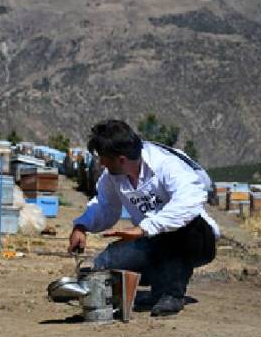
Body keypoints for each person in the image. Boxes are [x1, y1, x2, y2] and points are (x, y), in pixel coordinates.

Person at [67, 120, 217, 317]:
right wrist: (81, 226)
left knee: (181, 228)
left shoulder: (167, 164)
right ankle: (153, 291)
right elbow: (105, 206)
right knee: (107, 263)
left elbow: (190, 201)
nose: (102, 163)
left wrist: (144, 228)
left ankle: (172, 294)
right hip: (152, 241)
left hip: (196, 240)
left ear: (121, 159)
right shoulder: (112, 177)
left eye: (104, 158)